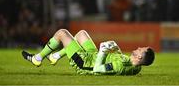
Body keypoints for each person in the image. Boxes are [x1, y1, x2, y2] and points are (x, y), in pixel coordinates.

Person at [22, 29, 155, 75]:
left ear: (139, 56)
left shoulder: (120, 66)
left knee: (62, 33)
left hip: (85, 63)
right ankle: (55, 56)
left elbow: (97, 69)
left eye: (140, 49)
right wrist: (114, 47)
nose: (138, 48)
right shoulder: (136, 67)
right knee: (81, 34)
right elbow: (118, 57)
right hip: (93, 56)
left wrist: (103, 52)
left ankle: (37, 58)